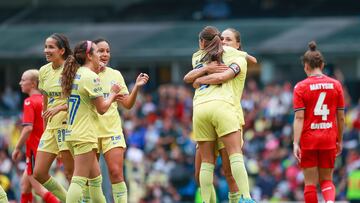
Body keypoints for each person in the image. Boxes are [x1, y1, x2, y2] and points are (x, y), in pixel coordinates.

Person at [183, 26, 252, 203]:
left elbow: (190, 79)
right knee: (204, 170)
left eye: (228, 39)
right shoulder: (214, 54)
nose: (224, 42)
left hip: (213, 109)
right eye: (222, 38)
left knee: (227, 171)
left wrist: (199, 78)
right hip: (221, 109)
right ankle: (245, 198)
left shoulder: (202, 55)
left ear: (238, 44)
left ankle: (236, 199)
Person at [61, 40, 121, 203]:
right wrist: (113, 94)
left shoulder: (76, 73)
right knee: (78, 180)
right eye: (96, 52)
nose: (100, 56)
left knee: (95, 181)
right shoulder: (91, 77)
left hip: (74, 132)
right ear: (89, 55)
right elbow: (102, 108)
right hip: (84, 134)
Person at [93, 38, 149, 203]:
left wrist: (136, 87)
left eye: (107, 51)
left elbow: (127, 105)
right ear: (91, 54)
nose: (105, 54)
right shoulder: (83, 74)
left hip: (112, 130)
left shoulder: (115, 75)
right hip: (89, 132)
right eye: (100, 51)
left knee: (116, 173)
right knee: (91, 178)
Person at [293, 41, 345, 203]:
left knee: (310, 184)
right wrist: (339, 139)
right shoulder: (336, 85)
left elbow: (299, 117)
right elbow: (341, 117)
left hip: (309, 139)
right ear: (322, 65)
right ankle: (329, 201)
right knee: (327, 180)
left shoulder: (300, 87)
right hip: (329, 137)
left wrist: (296, 142)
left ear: (306, 66)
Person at [32, 33, 73, 202]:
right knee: (39, 173)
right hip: (51, 128)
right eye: (45, 47)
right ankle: (67, 200)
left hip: (67, 125)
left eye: (51, 47)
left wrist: (60, 108)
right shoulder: (44, 71)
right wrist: (44, 128)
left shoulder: (72, 70)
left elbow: (79, 101)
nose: (46, 50)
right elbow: (46, 101)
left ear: (62, 50)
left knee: (71, 174)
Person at [12, 69, 59, 203]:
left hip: (33, 150)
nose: (20, 83)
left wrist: (17, 148)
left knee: (38, 189)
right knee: (25, 186)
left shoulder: (29, 102)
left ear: (33, 84)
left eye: (23, 80)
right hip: (44, 148)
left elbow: (27, 128)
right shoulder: (45, 101)